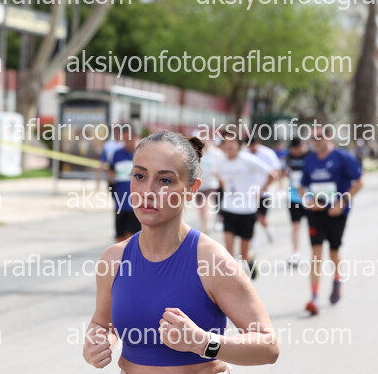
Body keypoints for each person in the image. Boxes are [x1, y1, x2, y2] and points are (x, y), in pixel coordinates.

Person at [83, 131, 279, 373]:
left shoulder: (211, 260)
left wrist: (203, 342)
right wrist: (96, 343)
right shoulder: (114, 259)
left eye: (165, 180)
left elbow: (268, 346)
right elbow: (102, 323)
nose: (148, 191)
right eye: (140, 176)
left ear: (191, 188)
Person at [299, 126, 363, 316]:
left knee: (334, 251)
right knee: (316, 252)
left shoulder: (343, 157)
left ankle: (337, 279)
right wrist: (308, 200)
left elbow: (359, 182)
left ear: (329, 137)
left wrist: (342, 202)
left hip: (336, 213)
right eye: (313, 137)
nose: (316, 140)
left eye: (319, 137)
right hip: (315, 213)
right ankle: (314, 297)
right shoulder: (310, 159)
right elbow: (302, 186)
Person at [219, 135, 276, 279]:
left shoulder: (248, 160)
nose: (230, 145)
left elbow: (272, 174)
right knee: (228, 251)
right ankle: (233, 282)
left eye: (233, 142)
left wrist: (261, 190)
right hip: (228, 209)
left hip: (247, 211)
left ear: (238, 145)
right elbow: (218, 177)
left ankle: (250, 262)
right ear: (223, 145)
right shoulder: (221, 161)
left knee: (243, 254)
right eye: (227, 142)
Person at [109, 132, 141, 243]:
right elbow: (111, 173)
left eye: (130, 139)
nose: (127, 142)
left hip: (136, 203)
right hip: (120, 201)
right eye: (125, 139)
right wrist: (111, 190)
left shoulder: (141, 155)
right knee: (120, 236)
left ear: (137, 138)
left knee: (132, 236)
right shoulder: (117, 154)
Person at [248, 137, 281, 244]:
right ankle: (252, 240)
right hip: (250, 193)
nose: (252, 148)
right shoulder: (245, 154)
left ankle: (268, 229)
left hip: (264, 192)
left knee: (261, 217)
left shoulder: (267, 153)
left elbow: (275, 170)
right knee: (250, 218)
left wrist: (266, 186)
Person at [284, 138, 308, 266]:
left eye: (298, 148)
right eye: (293, 149)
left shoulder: (311, 156)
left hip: (310, 197)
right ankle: (296, 253)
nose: (295, 151)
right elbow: (283, 172)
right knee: (296, 225)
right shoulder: (289, 157)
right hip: (293, 197)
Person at [196, 135, 223, 234]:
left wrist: (219, 175)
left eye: (206, 140)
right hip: (199, 185)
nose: (205, 142)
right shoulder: (197, 153)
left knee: (206, 204)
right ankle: (204, 225)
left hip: (211, 184)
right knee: (201, 208)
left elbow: (222, 167)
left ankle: (207, 227)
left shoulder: (217, 153)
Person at [96, 126, 124, 191]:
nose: (116, 134)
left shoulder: (124, 144)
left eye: (118, 132)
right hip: (112, 172)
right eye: (115, 133)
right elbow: (102, 161)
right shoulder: (108, 145)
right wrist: (98, 182)